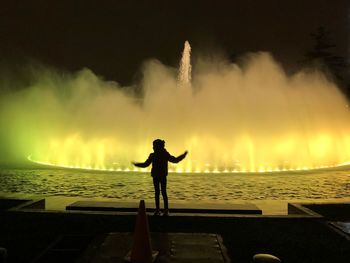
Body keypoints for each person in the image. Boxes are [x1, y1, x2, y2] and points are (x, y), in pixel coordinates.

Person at [132, 139, 188, 216]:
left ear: (157, 147)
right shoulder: (163, 154)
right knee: (163, 192)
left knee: (157, 192)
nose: (153, 147)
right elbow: (175, 160)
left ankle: (159, 210)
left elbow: (145, 164)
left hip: (156, 175)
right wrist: (183, 155)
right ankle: (165, 210)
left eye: (154, 146)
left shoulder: (154, 155)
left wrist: (136, 165)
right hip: (162, 175)